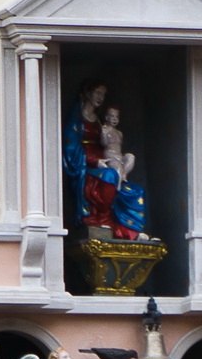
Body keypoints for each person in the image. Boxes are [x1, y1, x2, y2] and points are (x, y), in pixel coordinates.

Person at [62, 79, 149, 241]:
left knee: (135, 191)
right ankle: (101, 221)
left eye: (103, 94)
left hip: (107, 162)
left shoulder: (100, 120)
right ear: (88, 93)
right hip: (87, 165)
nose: (101, 97)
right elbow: (71, 147)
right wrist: (95, 161)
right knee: (110, 176)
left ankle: (131, 231)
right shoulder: (77, 116)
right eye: (98, 93)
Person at [99, 105, 135, 181]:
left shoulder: (119, 133)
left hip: (119, 156)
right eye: (112, 116)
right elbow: (104, 144)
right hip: (111, 157)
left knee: (131, 157)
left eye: (117, 117)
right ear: (107, 117)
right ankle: (118, 188)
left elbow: (119, 146)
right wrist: (104, 134)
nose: (115, 119)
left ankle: (124, 175)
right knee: (118, 170)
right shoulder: (105, 130)